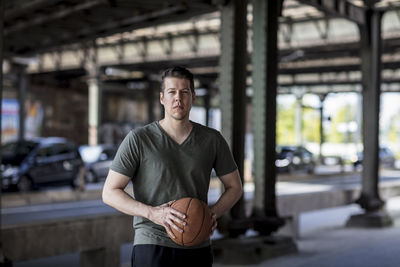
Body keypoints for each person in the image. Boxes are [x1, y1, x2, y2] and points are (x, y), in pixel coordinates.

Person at [102, 66, 243, 267]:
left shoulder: (212, 140)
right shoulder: (139, 139)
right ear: (162, 98)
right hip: (152, 242)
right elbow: (109, 192)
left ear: (193, 97)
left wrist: (212, 214)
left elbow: (235, 187)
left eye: (184, 92)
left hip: (197, 244)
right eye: (172, 92)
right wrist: (153, 213)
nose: (178, 98)